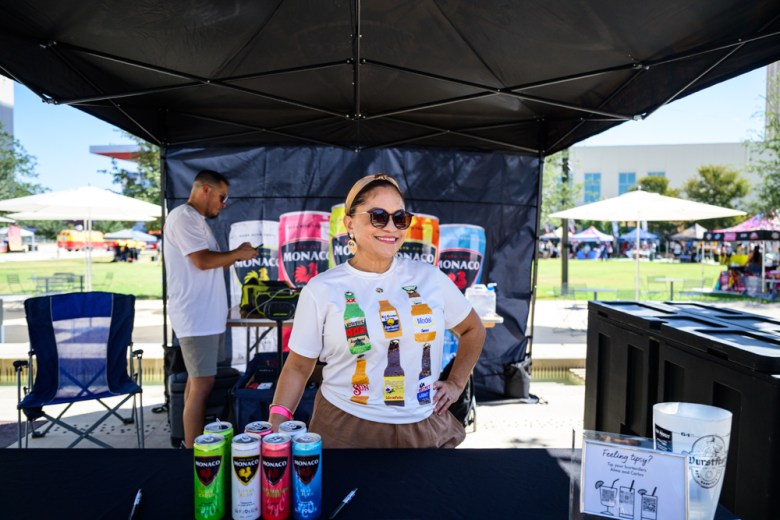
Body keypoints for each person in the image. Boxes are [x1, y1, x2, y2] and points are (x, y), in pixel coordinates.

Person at [269, 173, 486, 448]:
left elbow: (473, 329)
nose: (391, 227)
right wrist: (276, 423)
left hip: (421, 425)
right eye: (378, 216)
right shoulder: (321, 288)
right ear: (350, 223)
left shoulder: (430, 278)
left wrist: (456, 383)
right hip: (345, 427)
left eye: (400, 218)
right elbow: (299, 367)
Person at [164, 169, 257, 448]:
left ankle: (190, 446)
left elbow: (209, 262)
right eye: (221, 196)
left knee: (197, 383)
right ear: (205, 189)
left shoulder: (196, 220)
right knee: (202, 385)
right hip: (196, 317)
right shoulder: (183, 217)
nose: (223, 204)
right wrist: (237, 254)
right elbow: (202, 261)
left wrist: (235, 255)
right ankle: (196, 453)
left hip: (205, 317)